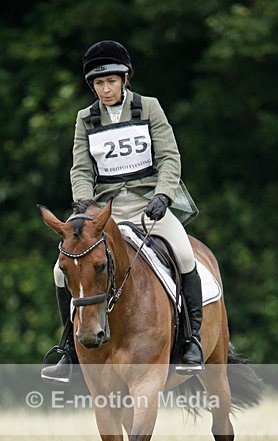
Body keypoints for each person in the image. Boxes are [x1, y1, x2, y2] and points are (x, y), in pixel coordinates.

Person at [41, 40, 203, 383]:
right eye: (99, 84)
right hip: (105, 211)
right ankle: (69, 347)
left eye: (111, 81)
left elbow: (170, 156)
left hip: (150, 206)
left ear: (124, 79)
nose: (105, 89)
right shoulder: (86, 118)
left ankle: (192, 343)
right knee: (60, 270)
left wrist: (164, 195)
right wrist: (84, 203)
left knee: (186, 256)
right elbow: (81, 169)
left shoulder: (149, 108)